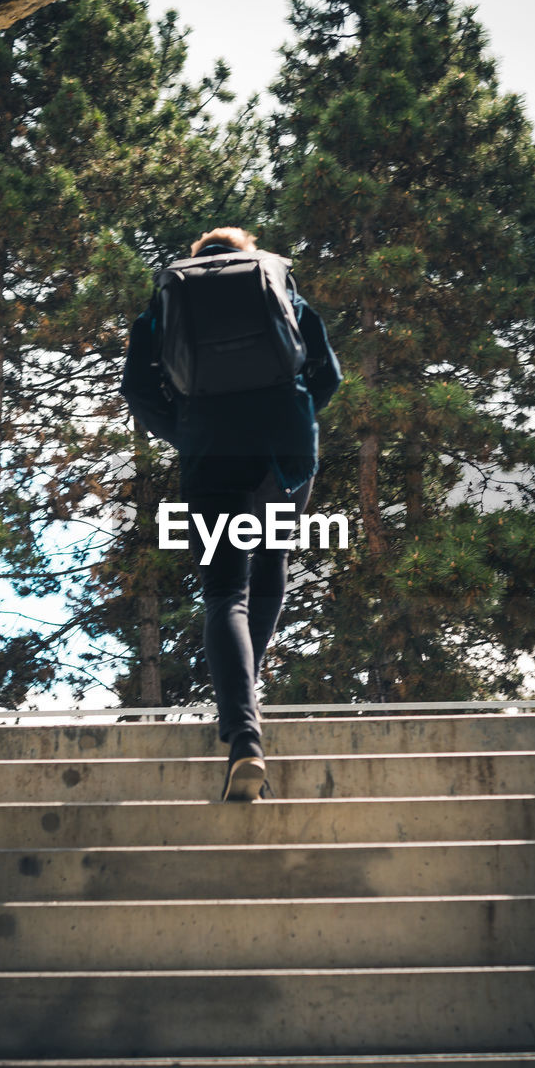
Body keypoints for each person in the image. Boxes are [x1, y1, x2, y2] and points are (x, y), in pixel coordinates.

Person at [121, 226, 341, 800]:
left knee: (225, 594)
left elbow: (138, 388)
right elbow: (328, 372)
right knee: (270, 568)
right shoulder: (275, 279)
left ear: (197, 258)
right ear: (245, 252)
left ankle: (244, 735)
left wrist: (188, 433)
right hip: (284, 449)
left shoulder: (170, 292)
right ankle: (246, 696)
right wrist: (293, 417)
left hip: (210, 448)